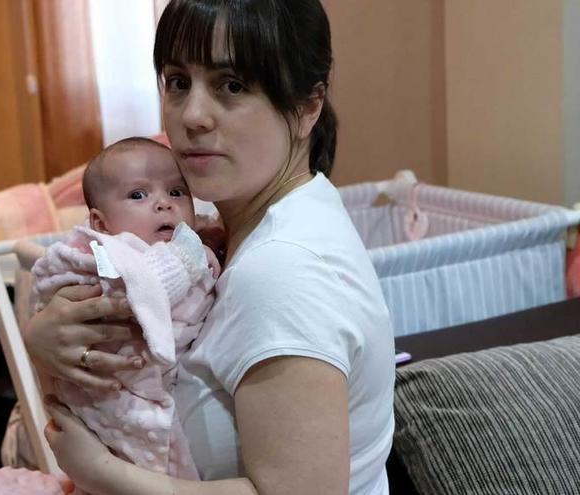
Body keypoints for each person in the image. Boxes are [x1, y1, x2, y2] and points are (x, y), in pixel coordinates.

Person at [25, 1, 395, 494]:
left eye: (232, 85)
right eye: (178, 82)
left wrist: (101, 473)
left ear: (308, 107)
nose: (192, 116)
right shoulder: (234, 231)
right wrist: (46, 341)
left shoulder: (281, 270)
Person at [19, 136, 220, 483]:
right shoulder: (104, 255)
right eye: (138, 195)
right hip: (115, 394)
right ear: (100, 223)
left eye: (176, 192)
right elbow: (68, 284)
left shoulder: (201, 245)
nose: (164, 204)